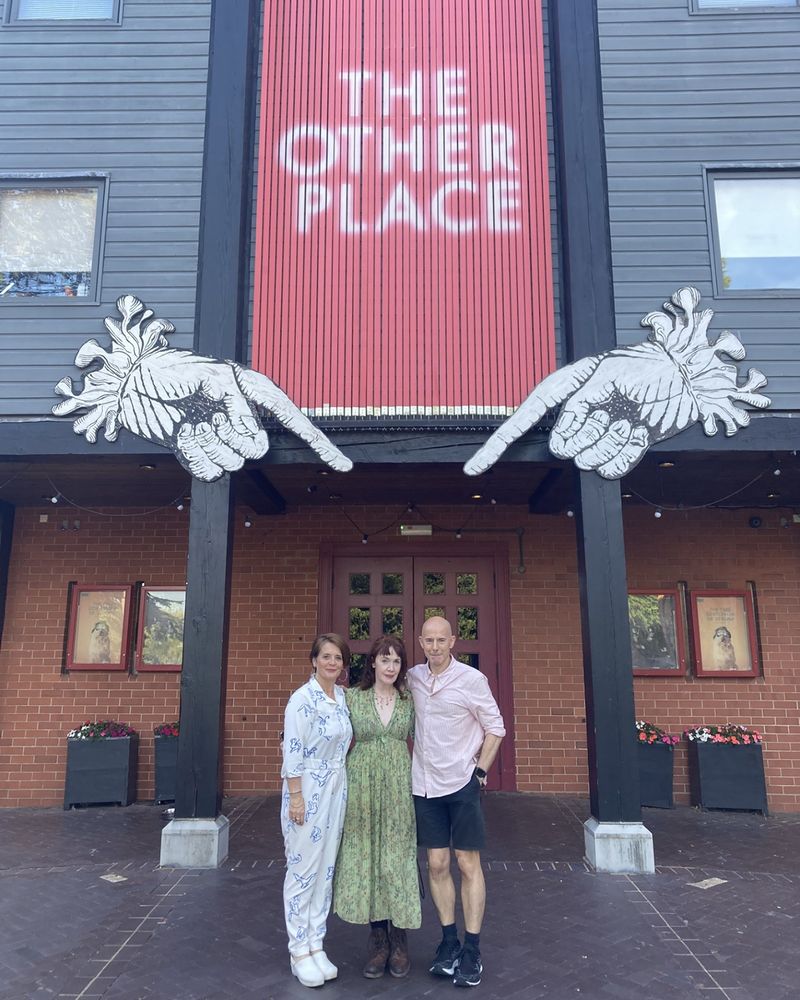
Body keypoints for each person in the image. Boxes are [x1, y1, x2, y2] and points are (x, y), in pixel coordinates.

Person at [408, 616, 505, 989]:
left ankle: (472, 948)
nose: (434, 646)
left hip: (460, 784)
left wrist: (479, 773)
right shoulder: (413, 677)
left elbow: (495, 726)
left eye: (441, 640)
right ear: (421, 641)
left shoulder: (471, 680)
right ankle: (448, 942)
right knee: (436, 864)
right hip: (425, 787)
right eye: (428, 640)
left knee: (467, 863)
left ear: (453, 641)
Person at [333, 635, 421, 979]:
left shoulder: (409, 700)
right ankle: (378, 940)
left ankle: (400, 940)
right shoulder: (352, 698)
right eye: (385, 660)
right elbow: (331, 732)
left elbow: (434, 736)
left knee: (396, 859)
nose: (390, 666)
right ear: (372, 662)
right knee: (368, 857)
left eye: (397, 661)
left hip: (399, 787)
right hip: (362, 788)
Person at [281, 634, 353, 988]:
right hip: (307, 790)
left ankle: (315, 943)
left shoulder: (340, 697)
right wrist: (296, 797)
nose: (332, 663)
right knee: (303, 870)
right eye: (326, 656)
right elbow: (291, 752)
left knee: (325, 870)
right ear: (313, 660)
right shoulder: (301, 700)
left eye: (338, 658)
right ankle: (298, 950)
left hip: (335, 791)